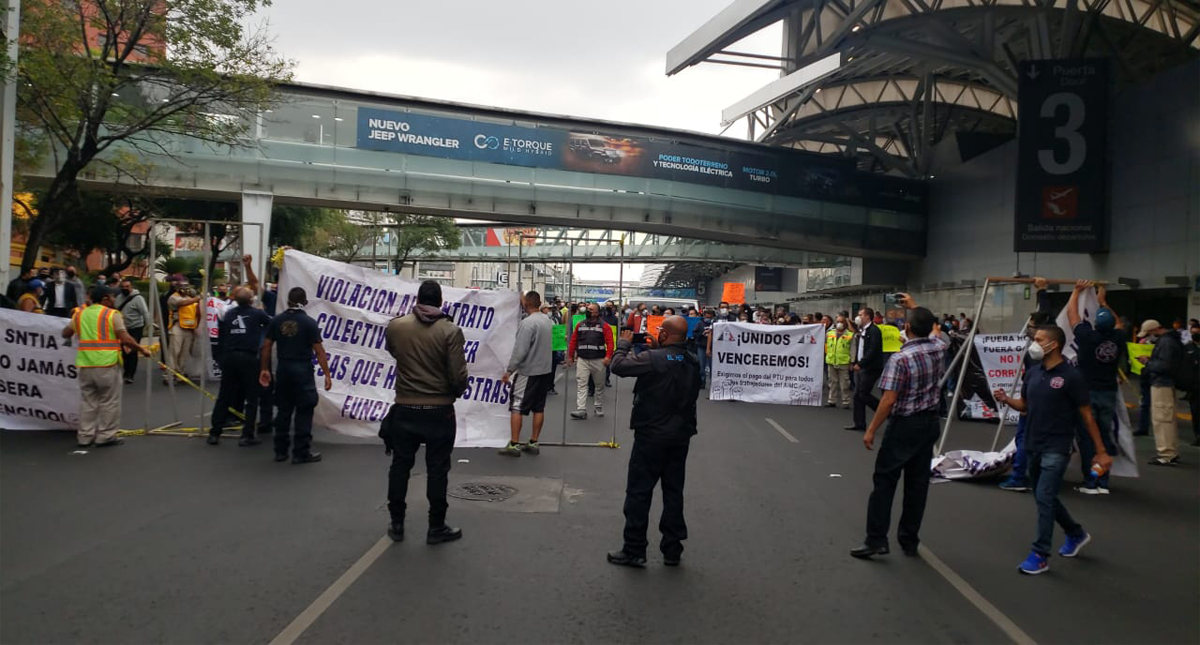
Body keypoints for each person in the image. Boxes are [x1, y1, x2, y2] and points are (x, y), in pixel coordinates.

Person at [994, 325, 1113, 575]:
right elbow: (1025, 407)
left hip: (1057, 446)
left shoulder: (1071, 377)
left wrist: (1101, 451)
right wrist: (1006, 399)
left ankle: (1040, 554)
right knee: (1042, 496)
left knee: (1045, 496)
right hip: (1033, 444)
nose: (1033, 343)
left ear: (1053, 344)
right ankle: (1075, 533)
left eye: (1039, 339)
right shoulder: (1033, 373)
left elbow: (1087, 416)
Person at [850, 297, 947, 559]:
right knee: (917, 486)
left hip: (904, 425)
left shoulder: (900, 359)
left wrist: (871, 429)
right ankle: (909, 539)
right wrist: (916, 305)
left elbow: (888, 400)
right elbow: (935, 329)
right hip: (929, 424)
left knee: (885, 482)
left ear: (907, 327)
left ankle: (876, 539)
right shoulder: (938, 348)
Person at [606, 316, 701, 567]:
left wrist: (623, 345)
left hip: (651, 435)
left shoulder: (652, 359)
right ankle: (672, 549)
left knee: (639, 492)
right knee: (673, 492)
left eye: (660, 330)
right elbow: (674, 362)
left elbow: (618, 366)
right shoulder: (691, 360)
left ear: (665, 335)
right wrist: (659, 351)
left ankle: (635, 548)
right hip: (680, 435)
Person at [381, 280, 468, 545]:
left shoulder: (396, 326)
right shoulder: (450, 331)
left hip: (405, 407)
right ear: (440, 301)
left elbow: (394, 352)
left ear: (418, 298)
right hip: (439, 410)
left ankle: (397, 523)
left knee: (400, 466)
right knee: (438, 469)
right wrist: (455, 390)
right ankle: (436, 526)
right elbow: (457, 374)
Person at [62, 286, 152, 447]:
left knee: (88, 401)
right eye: (112, 296)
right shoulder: (112, 315)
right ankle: (105, 436)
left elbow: (65, 333)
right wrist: (142, 350)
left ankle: (84, 436)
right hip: (106, 364)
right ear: (104, 299)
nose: (114, 299)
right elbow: (125, 338)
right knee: (109, 402)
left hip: (85, 365)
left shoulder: (80, 314)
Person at [259, 287, 332, 464]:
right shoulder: (309, 323)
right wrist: (327, 374)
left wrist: (264, 369)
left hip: (284, 368)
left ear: (288, 300)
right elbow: (319, 352)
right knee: (304, 410)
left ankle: (280, 451)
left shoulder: (277, 320)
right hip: (302, 370)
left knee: (283, 410)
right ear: (304, 302)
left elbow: (266, 346)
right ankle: (301, 452)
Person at [998, 277, 1056, 492]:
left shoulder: (1035, 350)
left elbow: (1044, 319)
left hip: (1032, 396)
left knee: (1024, 437)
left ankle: (1019, 476)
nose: (1029, 329)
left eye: (1031, 326)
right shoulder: (1053, 345)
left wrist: (1042, 291)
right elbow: (1048, 318)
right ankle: (1042, 474)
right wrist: (1042, 291)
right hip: (1049, 397)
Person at [1066, 281, 1123, 493]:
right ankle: (1103, 481)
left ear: (1095, 325)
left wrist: (1076, 292)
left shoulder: (1087, 337)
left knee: (1089, 438)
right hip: (1108, 393)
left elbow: (1073, 317)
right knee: (1104, 436)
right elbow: (1119, 324)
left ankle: (1091, 481)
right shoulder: (1118, 338)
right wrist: (1103, 302)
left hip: (1086, 394)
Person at [208, 287, 272, 446]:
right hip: (249, 357)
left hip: (229, 357)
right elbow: (272, 324)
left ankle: (215, 432)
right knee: (252, 397)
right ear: (251, 300)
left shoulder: (229, 314)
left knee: (224, 394)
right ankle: (247, 434)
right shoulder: (257, 313)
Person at [499, 291, 553, 457]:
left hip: (528, 371)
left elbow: (520, 351)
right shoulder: (548, 321)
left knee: (517, 405)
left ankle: (514, 444)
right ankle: (533, 441)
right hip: (545, 370)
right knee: (539, 407)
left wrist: (509, 370)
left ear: (527, 303)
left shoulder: (527, 323)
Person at [1137, 319, 1185, 466]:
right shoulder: (1171, 340)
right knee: (1167, 418)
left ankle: (1166, 453)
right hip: (1167, 383)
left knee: (1161, 418)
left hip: (1162, 383)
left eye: (1149, 333)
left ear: (1154, 330)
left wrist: (1147, 363)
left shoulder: (1165, 343)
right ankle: (1170, 451)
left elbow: (1164, 365)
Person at [568, 303, 614, 420]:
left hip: (598, 360)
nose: (587, 310)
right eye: (587, 309)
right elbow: (573, 340)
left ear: (597, 312)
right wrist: (570, 356)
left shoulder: (605, 326)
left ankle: (598, 406)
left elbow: (610, 342)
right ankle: (581, 409)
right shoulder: (580, 325)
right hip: (583, 360)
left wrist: (608, 357)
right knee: (582, 384)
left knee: (599, 386)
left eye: (590, 309)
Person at [845, 307, 883, 431]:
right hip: (861, 366)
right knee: (858, 396)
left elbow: (873, 350)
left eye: (861, 314)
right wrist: (855, 362)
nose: (858, 317)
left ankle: (885, 411)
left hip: (870, 367)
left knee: (863, 394)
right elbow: (860, 348)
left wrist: (861, 363)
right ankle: (859, 423)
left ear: (867, 316)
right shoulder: (862, 330)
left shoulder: (874, 331)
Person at [166, 279, 202, 384]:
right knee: (174, 352)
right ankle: (171, 375)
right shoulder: (173, 298)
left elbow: (196, 313)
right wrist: (198, 297)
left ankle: (180, 374)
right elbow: (183, 303)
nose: (185, 289)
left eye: (187, 286)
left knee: (184, 354)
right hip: (177, 327)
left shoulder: (191, 298)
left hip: (189, 329)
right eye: (183, 287)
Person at [115, 280, 150, 384]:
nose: (125, 288)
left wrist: (148, 326)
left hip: (135, 327)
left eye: (127, 286)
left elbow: (145, 312)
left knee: (132, 351)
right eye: (123, 286)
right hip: (122, 328)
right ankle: (126, 371)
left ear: (131, 286)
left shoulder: (138, 298)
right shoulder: (119, 298)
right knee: (123, 351)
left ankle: (130, 374)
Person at [825, 315, 854, 409]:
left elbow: (853, 349)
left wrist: (852, 362)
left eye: (841, 321)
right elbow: (825, 345)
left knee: (845, 383)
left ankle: (846, 402)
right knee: (832, 382)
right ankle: (831, 401)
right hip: (831, 360)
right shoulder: (829, 333)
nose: (839, 324)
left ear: (845, 323)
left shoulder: (850, 335)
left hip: (844, 362)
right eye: (837, 321)